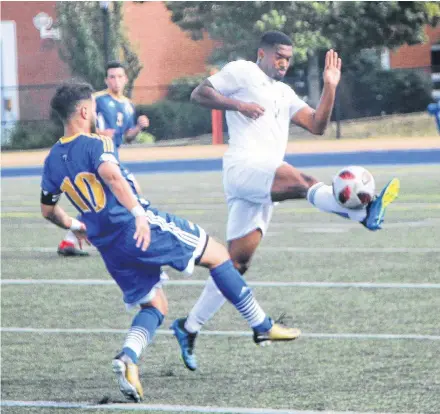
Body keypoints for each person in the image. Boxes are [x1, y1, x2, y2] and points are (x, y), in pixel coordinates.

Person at [41, 81, 301, 402]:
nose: (96, 113)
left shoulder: (52, 158)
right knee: (218, 254)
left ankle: (128, 358)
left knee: (155, 304)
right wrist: (137, 212)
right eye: (93, 108)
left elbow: (48, 209)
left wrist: (74, 224)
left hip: (108, 246)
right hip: (136, 227)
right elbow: (110, 174)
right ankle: (260, 323)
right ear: (84, 111)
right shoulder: (98, 143)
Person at [170, 30, 400, 371]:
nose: (284, 62)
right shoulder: (242, 70)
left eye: (288, 57)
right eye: (279, 55)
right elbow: (199, 93)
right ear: (261, 53)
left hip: (261, 179)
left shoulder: (284, 93)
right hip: (245, 167)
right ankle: (360, 215)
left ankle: (188, 327)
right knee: (302, 181)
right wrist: (239, 104)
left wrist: (331, 85)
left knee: (234, 264)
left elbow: (317, 124)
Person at [57, 61, 150, 256]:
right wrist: (99, 132)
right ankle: (135, 237)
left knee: (101, 201)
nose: (116, 81)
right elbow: (78, 123)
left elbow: (127, 137)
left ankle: (70, 240)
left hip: (111, 157)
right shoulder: (96, 100)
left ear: (125, 79)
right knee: (131, 191)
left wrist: (139, 127)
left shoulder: (128, 104)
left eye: (119, 76)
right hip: (93, 155)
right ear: (106, 80)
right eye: (112, 77)